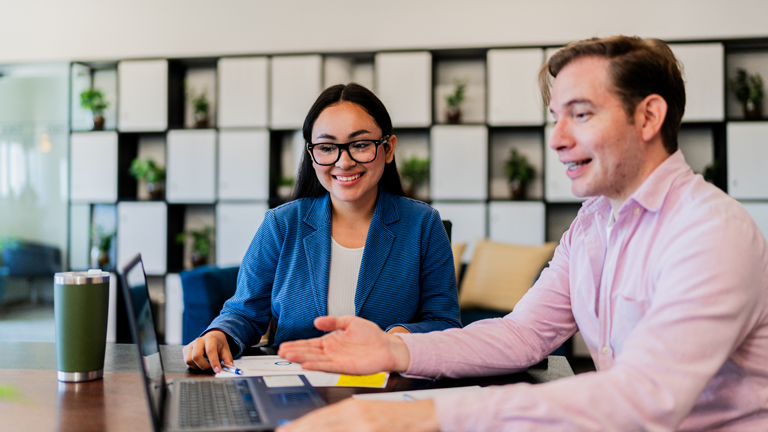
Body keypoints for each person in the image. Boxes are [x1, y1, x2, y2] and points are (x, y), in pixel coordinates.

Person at [277, 36, 768, 431]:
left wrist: (420, 416)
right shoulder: (594, 225)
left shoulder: (710, 232)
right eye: (556, 119)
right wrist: (397, 349)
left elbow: (644, 399)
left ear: (648, 117)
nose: (556, 139)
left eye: (581, 114)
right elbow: (524, 334)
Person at [184, 83, 461, 373]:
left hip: (386, 388)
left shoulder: (423, 224)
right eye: (327, 147)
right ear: (312, 153)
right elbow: (244, 312)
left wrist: (393, 341)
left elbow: (444, 322)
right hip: (294, 388)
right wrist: (218, 335)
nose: (344, 162)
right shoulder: (281, 224)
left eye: (361, 144)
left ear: (388, 148)